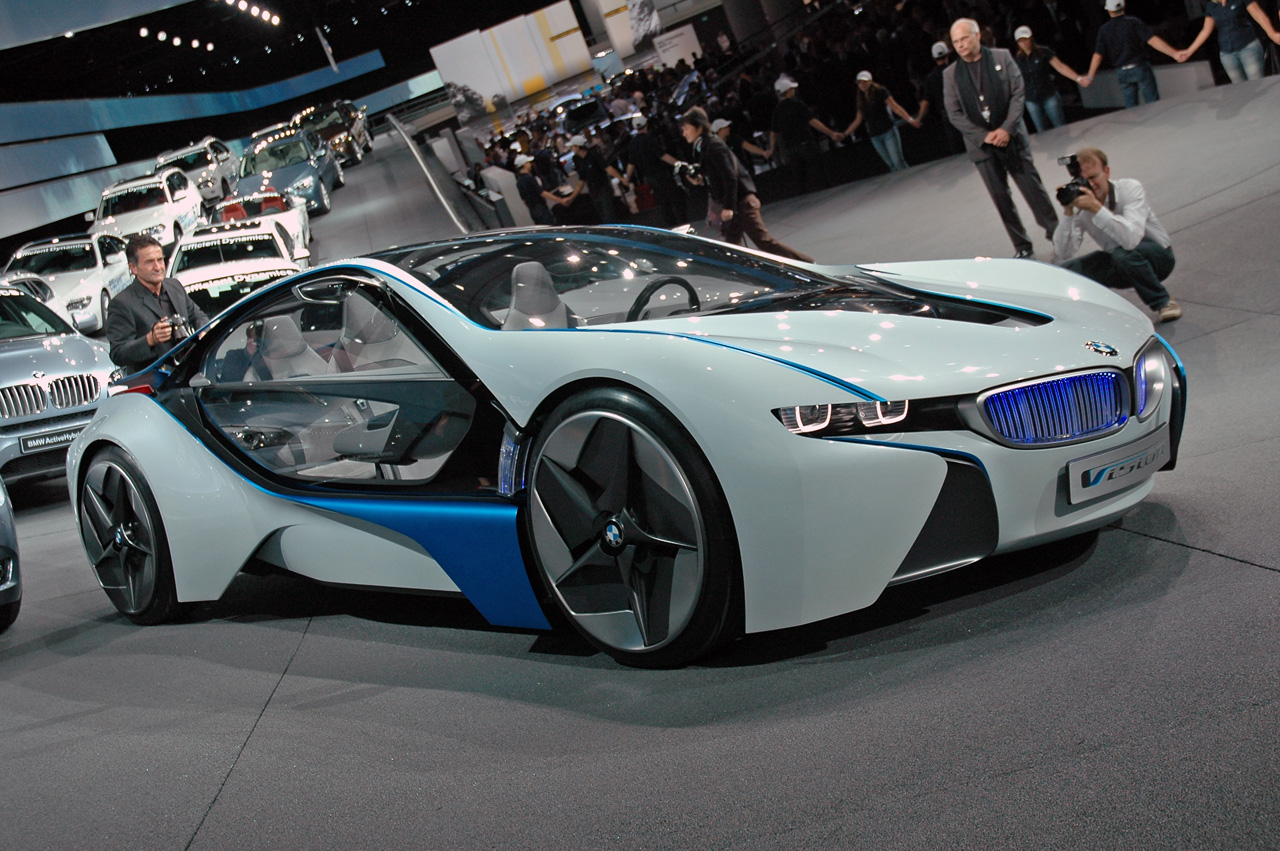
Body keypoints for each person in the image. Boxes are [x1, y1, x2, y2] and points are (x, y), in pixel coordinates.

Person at [944, 18, 1059, 258]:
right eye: (955, 42)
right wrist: (985, 136)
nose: (960, 45)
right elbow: (954, 113)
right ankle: (1022, 246)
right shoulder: (951, 74)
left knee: (1033, 190)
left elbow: (1018, 94)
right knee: (1000, 199)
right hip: (982, 148)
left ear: (977, 36)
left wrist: (1006, 129)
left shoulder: (1002, 57)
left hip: (1012, 138)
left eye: (964, 38)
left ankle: (1056, 234)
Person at [1052, 147, 1181, 322]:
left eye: (1093, 177)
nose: (1091, 185)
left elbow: (1131, 241)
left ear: (1107, 172)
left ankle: (1163, 302)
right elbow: (1063, 252)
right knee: (1068, 271)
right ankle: (1098, 316)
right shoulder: (1080, 203)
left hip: (1158, 258)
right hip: (1122, 264)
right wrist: (1068, 213)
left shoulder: (1129, 189)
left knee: (1124, 254)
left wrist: (1096, 208)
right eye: (1083, 180)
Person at [679, 108, 813, 263]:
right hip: (736, 204)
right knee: (733, 249)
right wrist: (701, 180)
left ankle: (808, 263)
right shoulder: (705, 146)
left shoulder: (713, 146)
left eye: (686, 128)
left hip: (741, 203)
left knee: (763, 242)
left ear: (699, 127)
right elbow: (719, 176)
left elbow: (730, 176)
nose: (684, 133)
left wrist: (728, 207)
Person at [107, 234, 211, 376]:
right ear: (133, 268)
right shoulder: (121, 303)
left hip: (190, 373)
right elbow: (118, 353)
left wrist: (203, 332)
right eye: (149, 262)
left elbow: (198, 316)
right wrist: (150, 340)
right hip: (154, 382)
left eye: (160, 260)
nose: (158, 267)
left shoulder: (174, 286)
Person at [1083, 0, 1181, 108]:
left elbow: (1097, 55)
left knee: (1131, 108)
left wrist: (1090, 77)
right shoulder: (1133, 22)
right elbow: (1152, 40)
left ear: (1108, 10)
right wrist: (1174, 54)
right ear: (1124, 6)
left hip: (1122, 72)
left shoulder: (1104, 30)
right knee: (1153, 103)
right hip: (1140, 67)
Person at [766, 77, 842, 196]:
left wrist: (772, 148)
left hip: (790, 149)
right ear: (789, 90)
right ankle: (829, 194)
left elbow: (773, 133)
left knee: (799, 179)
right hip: (805, 143)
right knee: (819, 172)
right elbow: (813, 121)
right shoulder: (798, 105)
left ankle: (803, 200)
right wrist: (831, 133)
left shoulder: (777, 111)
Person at [1176, 0, 1280, 83]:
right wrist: (1189, 51)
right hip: (1227, 54)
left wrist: (1272, 33)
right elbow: (1205, 31)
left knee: (1256, 83)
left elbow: (1259, 15)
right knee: (1240, 88)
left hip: (1248, 47)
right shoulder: (1212, 6)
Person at [841, 71, 920, 172]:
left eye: (864, 82)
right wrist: (845, 134)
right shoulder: (861, 99)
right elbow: (858, 120)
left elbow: (895, 107)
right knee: (890, 164)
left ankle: (908, 176)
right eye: (860, 83)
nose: (862, 85)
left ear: (870, 81)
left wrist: (909, 119)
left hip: (888, 131)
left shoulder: (880, 92)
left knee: (897, 161)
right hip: (875, 135)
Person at [1013, 25, 1087, 132]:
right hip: (1031, 99)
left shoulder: (1043, 52)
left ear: (1031, 39)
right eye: (1021, 41)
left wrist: (1078, 78)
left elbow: (1060, 66)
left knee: (1059, 125)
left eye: (1026, 39)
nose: (1024, 43)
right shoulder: (1018, 59)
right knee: (1041, 130)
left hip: (1048, 94)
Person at [625, 115, 684, 227]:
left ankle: (671, 225)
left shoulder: (633, 144)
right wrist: (679, 163)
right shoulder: (649, 139)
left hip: (649, 178)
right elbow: (663, 155)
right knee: (675, 199)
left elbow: (631, 163)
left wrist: (626, 179)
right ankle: (682, 223)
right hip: (661, 174)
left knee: (663, 203)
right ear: (646, 125)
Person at [917, 41, 965, 155]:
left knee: (957, 147)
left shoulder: (931, 78)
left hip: (947, 114)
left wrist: (919, 118)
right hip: (963, 109)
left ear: (934, 58)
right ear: (947, 54)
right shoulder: (957, 69)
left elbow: (926, 102)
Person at [569, 134, 628, 224]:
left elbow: (607, 168)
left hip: (603, 189)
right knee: (604, 217)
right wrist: (572, 197)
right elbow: (581, 180)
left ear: (578, 146)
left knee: (609, 216)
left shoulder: (594, 155)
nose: (571, 149)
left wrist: (621, 178)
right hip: (593, 192)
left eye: (572, 147)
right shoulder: (578, 160)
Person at [515, 153, 576, 225]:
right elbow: (542, 193)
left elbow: (524, 199)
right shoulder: (529, 178)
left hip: (533, 211)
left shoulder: (519, 182)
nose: (530, 164)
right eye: (528, 163)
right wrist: (560, 200)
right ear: (525, 164)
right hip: (541, 208)